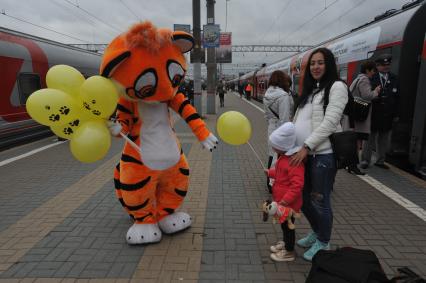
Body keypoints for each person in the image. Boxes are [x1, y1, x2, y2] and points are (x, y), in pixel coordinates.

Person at [290, 47, 348, 261]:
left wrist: (307, 146)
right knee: (302, 198)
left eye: (320, 62)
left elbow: (330, 123)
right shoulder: (311, 90)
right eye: (312, 63)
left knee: (320, 201)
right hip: (302, 153)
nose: (316, 67)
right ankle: (316, 231)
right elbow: (298, 121)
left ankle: (323, 242)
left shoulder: (337, 87)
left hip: (323, 154)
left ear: (329, 64)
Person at [265, 122, 304, 262]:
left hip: (289, 203)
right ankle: (286, 243)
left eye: (275, 146)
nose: (273, 148)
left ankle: (289, 251)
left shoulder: (294, 162)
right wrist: (270, 172)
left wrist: (286, 200)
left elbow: (297, 185)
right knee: (284, 225)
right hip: (282, 201)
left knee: (288, 226)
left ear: (283, 146)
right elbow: (281, 174)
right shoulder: (284, 158)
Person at [360, 54, 399, 170]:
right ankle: (365, 160)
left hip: (387, 115)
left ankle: (380, 161)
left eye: (388, 65)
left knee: (383, 139)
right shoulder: (371, 77)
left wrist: (396, 114)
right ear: (377, 66)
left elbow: (398, 97)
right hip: (373, 114)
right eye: (383, 65)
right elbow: (366, 95)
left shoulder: (394, 78)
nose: (386, 67)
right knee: (369, 139)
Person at [343, 61, 381, 175]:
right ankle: (353, 166)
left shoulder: (357, 79)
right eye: (373, 70)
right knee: (357, 143)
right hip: (359, 117)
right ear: (368, 70)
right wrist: (376, 91)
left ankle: (351, 165)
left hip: (354, 116)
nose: (373, 73)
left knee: (355, 142)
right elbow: (367, 96)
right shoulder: (364, 79)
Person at [263, 70, 294, 192]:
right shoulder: (283, 96)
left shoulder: (267, 94)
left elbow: (266, 115)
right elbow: (285, 118)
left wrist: (272, 125)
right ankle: (275, 182)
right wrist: (285, 134)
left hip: (271, 127)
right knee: (280, 156)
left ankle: (269, 182)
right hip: (281, 128)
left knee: (272, 154)